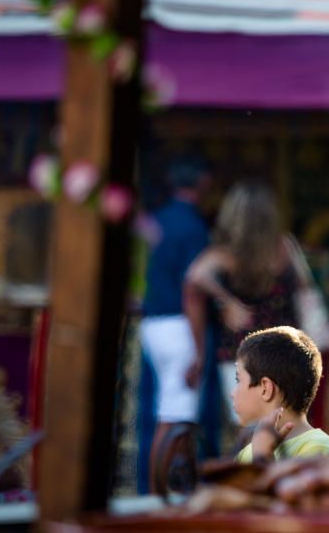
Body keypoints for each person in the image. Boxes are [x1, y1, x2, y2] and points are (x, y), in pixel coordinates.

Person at [184, 182, 329, 442]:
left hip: (240, 352)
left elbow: (195, 277)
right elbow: (304, 286)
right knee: (285, 425)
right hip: (284, 350)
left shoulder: (225, 255)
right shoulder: (284, 247)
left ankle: (252, 476)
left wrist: (226, 300)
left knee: (248, 427)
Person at [137, 155, 213, 494]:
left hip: (151, 323)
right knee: (174, 416)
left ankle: (168, 491)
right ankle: (155, 499)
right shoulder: (194, 227)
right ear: (201, 185)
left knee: (170, 411)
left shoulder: (153, 221)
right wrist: (198, 350)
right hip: (178, 326)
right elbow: (192, 291)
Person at [231, 326, 329, 463]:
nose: (232, 393)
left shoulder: (317, 446)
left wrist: (262, 456)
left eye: (238, 380)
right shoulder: (245, 454)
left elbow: (286, 485)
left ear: (266, 388)